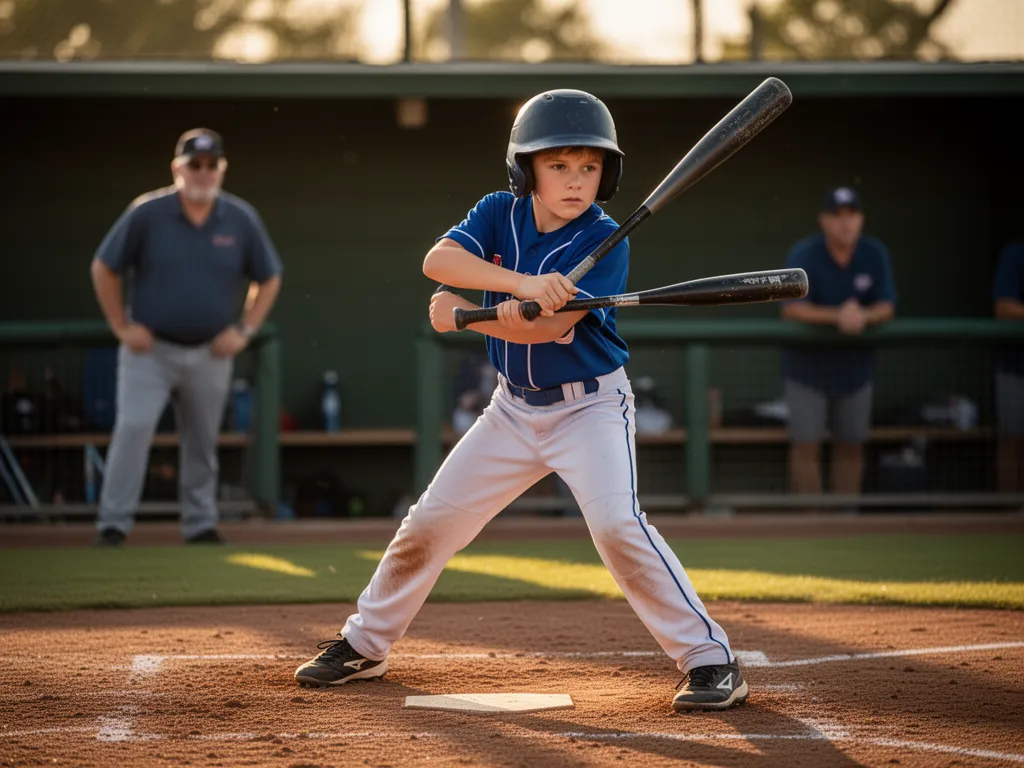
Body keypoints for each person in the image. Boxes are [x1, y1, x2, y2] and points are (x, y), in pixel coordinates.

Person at [294, 90, 747, 712]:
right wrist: (518, 285)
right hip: (511, 410)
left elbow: (545, 329)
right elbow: (439, 260)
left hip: (589, 409)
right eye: (558, 165)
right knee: (430, 522)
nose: (575, 180)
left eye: (588, 167)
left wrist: (468, 318)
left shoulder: (606, 240)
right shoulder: (497, 212)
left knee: (618, 525)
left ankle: (710, 659)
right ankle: (365, 643)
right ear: (525, 168)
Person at [90, 128, 283, 546]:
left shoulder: (240, 217)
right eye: (194, 164)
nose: (203, 172)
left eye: (212, 164)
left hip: (211, 351)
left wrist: (245, 330)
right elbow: (104, 267)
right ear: (177, 168)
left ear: (222, 169)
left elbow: (269, 276)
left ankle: (199, 523)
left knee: (202, 440)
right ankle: (113, 524)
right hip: (150, 350)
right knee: (133, 428)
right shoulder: (146, 213)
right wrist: (121, 326)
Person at [780, 186, 896, 498]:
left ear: (860, 219)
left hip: (854, 369)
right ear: (824, 221)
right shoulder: (805, 253)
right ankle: (812, 522)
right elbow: (791, 309)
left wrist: (863, 316)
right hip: (807, 370)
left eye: (852, 215)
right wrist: (838, 316)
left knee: (852, 445)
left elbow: (886, 306)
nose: (845, 223)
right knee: (806, 445)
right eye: (837, 216)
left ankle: (845, 519)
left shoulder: (873, 253)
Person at [992, 240, 1024, 493]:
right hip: (1016, 367)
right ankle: (1010, 512)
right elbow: (1003, 306)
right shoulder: (1016, 253)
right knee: (1013, 439)